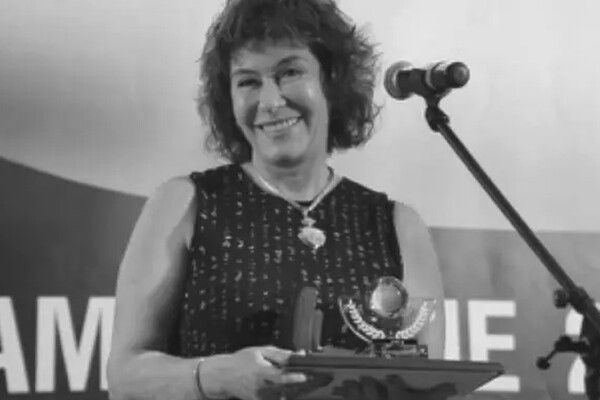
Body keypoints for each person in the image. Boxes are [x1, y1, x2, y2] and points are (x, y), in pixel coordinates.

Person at [106, 0, 450, 399]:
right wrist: (215, 376)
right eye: (248, 82)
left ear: (331, 80)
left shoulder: (397, 224)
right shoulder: (184, 203)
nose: (270, 101)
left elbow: (426, 386)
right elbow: (124, 378)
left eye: (289, 72)